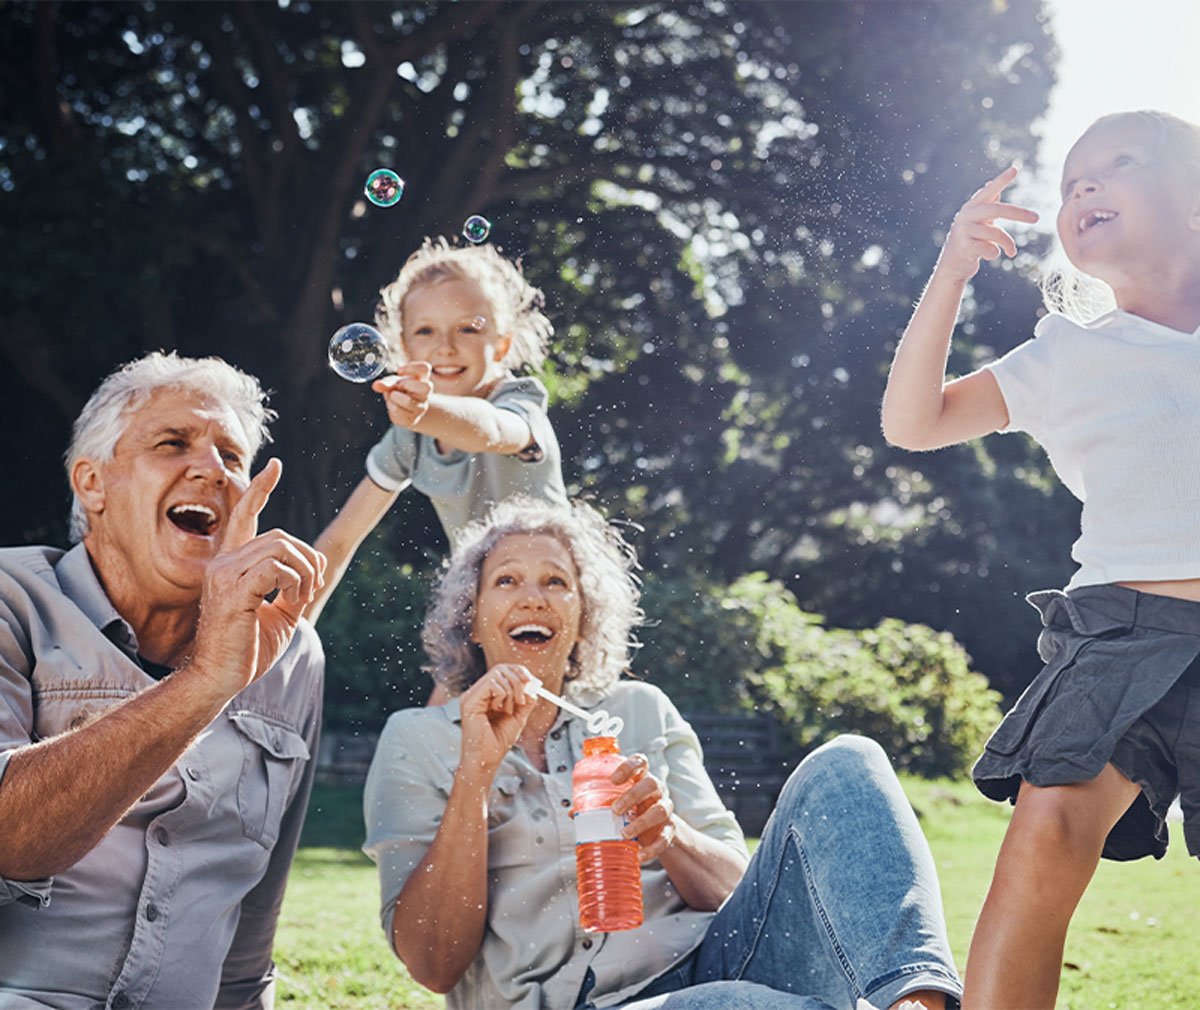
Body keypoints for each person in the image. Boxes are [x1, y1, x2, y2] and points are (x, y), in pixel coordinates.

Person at [362, 497, 962, 1010]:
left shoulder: (641, 710)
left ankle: (918, 1000)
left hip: (712, 963)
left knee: (849, 763)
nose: (534, 598)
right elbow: (433, 965)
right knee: (733, 1005)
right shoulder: (417, 738)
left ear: (582, 619)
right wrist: (475, 773)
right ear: (472, 619)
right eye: (506, 581)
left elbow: (736, 892)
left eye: (556, 582)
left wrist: (670, 834)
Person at [881, 109, 1200, 1009]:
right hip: (1120, 628)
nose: (1083, 186)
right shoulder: (1070, 351)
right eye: (1069, 183)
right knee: (1048, 828)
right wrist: (951, 272)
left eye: (1118, 164)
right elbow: (914, 422)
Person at [0, 351, 326, 1008]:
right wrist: (207, 681)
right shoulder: (12, 599)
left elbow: (252, 924)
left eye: (231, 457)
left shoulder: (293, 655)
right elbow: (8, 838)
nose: (211, 469)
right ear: (93, 484)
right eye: (172, 443)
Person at [305, 236, 568, 628]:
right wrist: (288, 630)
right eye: (426, 331)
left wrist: (427, 411)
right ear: (402, 347)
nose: (445, 347)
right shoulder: (410, 437)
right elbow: (339, 541)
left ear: (501, 345)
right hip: (485, 604)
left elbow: (492, 429)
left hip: (556, 595)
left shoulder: (519, 401)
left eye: (467, 329)